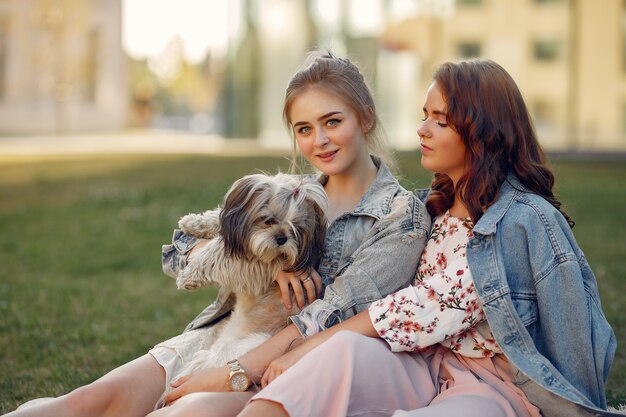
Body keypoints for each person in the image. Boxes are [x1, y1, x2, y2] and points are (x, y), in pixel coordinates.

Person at [3, 51, 430, 417]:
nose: (319, 140)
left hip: (288, 362)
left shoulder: (400, 217)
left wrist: (231, 373)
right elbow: (179, 251)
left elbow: (331, 317)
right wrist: (264, 266)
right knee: (87, 401)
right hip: (220, 332)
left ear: (366, 116)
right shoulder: (285, 194)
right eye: (303, 129)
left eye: (332, 121)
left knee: (183, 412)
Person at [228, 59, 618, 417]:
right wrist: (281, 267)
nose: (422, 129)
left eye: (440, 120)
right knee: (340, 353)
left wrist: (307, 348)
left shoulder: (524, 220)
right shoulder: (426, 211)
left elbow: (423, 305)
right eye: (424, 116)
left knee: (330, 351)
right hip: (420, 364)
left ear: (483, 131)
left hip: (494, 386)